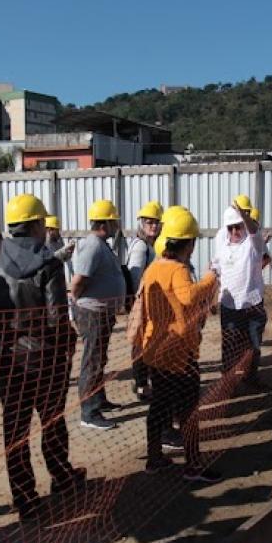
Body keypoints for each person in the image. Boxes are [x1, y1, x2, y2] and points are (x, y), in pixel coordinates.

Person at [0, 194, 86, 519]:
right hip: (46, 361)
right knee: (53, 423)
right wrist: (66, 345)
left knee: (15, 433)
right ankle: (61, 477)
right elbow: (57, 317)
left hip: (6, 363)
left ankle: (26, 501)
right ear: (37, 225)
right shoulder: (49, 264)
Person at [139, 206, 220, 481]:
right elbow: (188, 297)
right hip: (179, 354)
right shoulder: (178, 269)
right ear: (189, 242)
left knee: (159, 406)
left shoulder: (154, 267)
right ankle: (193, 465)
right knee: (187, 412)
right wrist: (211, 279)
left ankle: (154, 459)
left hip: (155, 351)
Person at [70, 199, 126, 430]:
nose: (116, 226)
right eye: (113, 221)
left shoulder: (100, 244)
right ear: (105, 223)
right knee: (92, 360)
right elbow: (79, 280)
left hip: (101, 312)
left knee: (99, 358)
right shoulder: (93, 245)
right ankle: (89, 412)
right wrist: (76, 302)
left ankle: (98, 400)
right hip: (92, 312)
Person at [211, 200, 269, 387]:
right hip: (229, 306)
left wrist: (244, 216)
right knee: (229, 347)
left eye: (238, 227)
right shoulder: (222, 245)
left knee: (252, 345)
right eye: (231, 228)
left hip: (252, 304)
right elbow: (215, 270)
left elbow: (253, 233)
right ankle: (228, 382)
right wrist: (211, 294)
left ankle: (250, 377)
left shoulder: (253, 245)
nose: (235, 232)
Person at [125, 200, 163, 401]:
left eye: (156, 222)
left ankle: (143, 382)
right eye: (149, 222)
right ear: (141, 223)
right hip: (143, 304)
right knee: (141, 346)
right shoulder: (141, 247)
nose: (153, 226)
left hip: (150, 304)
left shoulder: (150, 245)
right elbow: (136, 278)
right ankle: (141, 386)